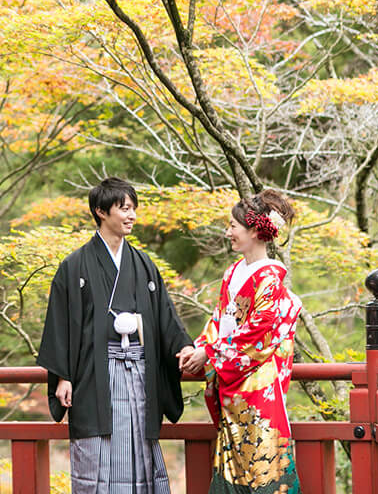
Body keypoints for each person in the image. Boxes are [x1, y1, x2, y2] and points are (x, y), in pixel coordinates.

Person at [37, 177, 196, 494]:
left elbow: (165, 315)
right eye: (124, 208)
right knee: (97, 450)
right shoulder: (74, 265)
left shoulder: (143, 264)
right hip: (94, 376)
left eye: (133, 208)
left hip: (138, 373)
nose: (131, 215)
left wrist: (184, 347)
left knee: (138, 446)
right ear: (101, 211)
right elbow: (60, 323)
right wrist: (63, 376)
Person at [180, 190, 303, 494]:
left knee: (263, 468)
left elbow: (258, 332)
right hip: (231, 388)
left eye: (234, 226)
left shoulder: (270, 278)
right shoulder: (232, 273)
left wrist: (209, 352)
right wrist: (199, 347)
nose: (228, 232)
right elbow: (218, 320)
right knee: (232, 470)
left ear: (254, 231)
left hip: (259, 387)